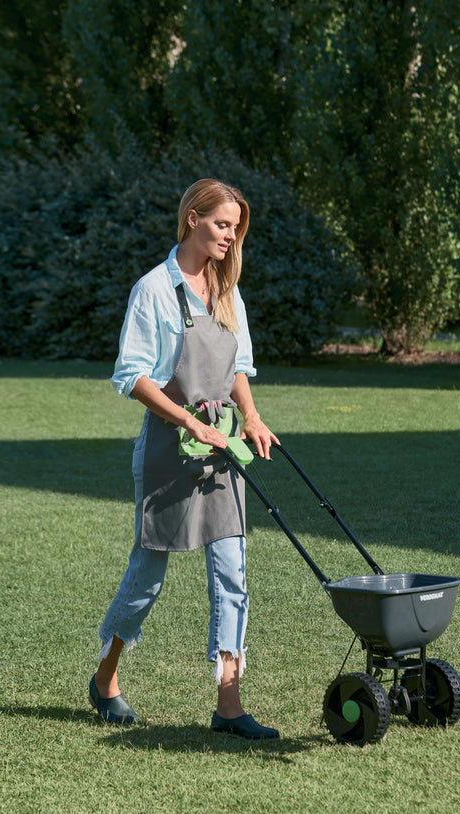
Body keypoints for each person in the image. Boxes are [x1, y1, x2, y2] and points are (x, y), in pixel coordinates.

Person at [88, 178, 280, 740]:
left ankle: (228, 705)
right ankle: (105, 680)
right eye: (223, 224)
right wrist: (191, 421)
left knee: (232, 576)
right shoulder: (152, 289)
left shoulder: (227, 287)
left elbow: (238, 366)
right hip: (169, 453)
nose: (230, 236)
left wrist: (252, 417)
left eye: (236, 228)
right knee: (148, 578)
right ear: (193, 218)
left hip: (223, 452)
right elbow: (132, 376)